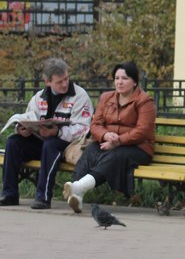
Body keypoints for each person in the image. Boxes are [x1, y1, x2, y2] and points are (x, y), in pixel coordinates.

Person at [0, 57, 93, 210]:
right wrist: (22, 130)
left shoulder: (80, 96)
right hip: (41, 141)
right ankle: (9, 194)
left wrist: (58, 132)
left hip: (67, 145)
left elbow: (84, 128)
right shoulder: (38, 98)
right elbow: (28, 118)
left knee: (50, 145)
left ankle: (43, 197)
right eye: (59, 82)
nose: (64, 84)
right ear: (48, 82)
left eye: (66, 79)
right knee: (13, 142)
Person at [63, 61, 155, 214]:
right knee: (91, 150)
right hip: (108, 143)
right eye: (117, 78)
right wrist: (105, 135)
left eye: (124, 78)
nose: (119, 82)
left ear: (134, 82)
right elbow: (95, 124)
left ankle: (79, 188)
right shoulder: (106, 98)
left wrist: (118, 141)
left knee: (115, 156)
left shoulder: (145, 101)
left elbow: (142, 131)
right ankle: (76, 195)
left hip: (138, 148)